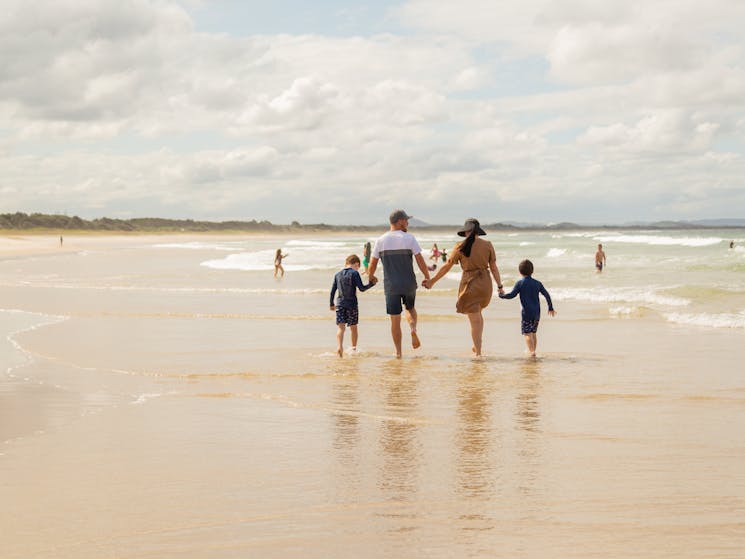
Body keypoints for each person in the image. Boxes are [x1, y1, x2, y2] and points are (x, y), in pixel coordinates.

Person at [423, 218, 504, 357]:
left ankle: (478, 353)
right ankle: (477, 345)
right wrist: (499, 286)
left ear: (466, 231)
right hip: (485, 285)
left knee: (474, 320)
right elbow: (494, 268)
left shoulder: (460, 246)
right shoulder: (488, 245)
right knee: (478, 315)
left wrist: (432, 281)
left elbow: (447, 266)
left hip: (470, 284)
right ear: (478, 231)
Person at [367, 209, 431, 358]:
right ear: (399, 221)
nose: (408, 222)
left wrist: (371, 277)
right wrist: (427, 276)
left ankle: (398, 353)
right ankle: (413, 328)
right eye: (406, 220)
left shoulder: (381, 240)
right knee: (410, 308)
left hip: (391, 286)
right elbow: (420, 260)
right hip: (408, 283)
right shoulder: (409, 238)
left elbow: (373, 263)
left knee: (395, 320)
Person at [499, 259, 556, 358]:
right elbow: (547, 295)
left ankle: (532, 352)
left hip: (526, 313)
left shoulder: (520, 283)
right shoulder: (537, 283)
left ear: (520, 272)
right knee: (533, 333)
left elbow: (512, 295)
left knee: (527, 333)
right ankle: (533, 350)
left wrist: (502, 295)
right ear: (532, 271)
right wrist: (550, 307)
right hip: (537, 313)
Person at [329, 254, 376, 357]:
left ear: (346, 263)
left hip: (340, 304)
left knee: (341, 328)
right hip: (352, 305)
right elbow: (362, 288)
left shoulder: (337, 274)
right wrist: (372, 284)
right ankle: (353, 348)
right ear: (357, 264)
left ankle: (339, 347)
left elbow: (332, 291)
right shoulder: (354, 273)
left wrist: (331, 304)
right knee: (353, 327)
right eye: (358, 266)